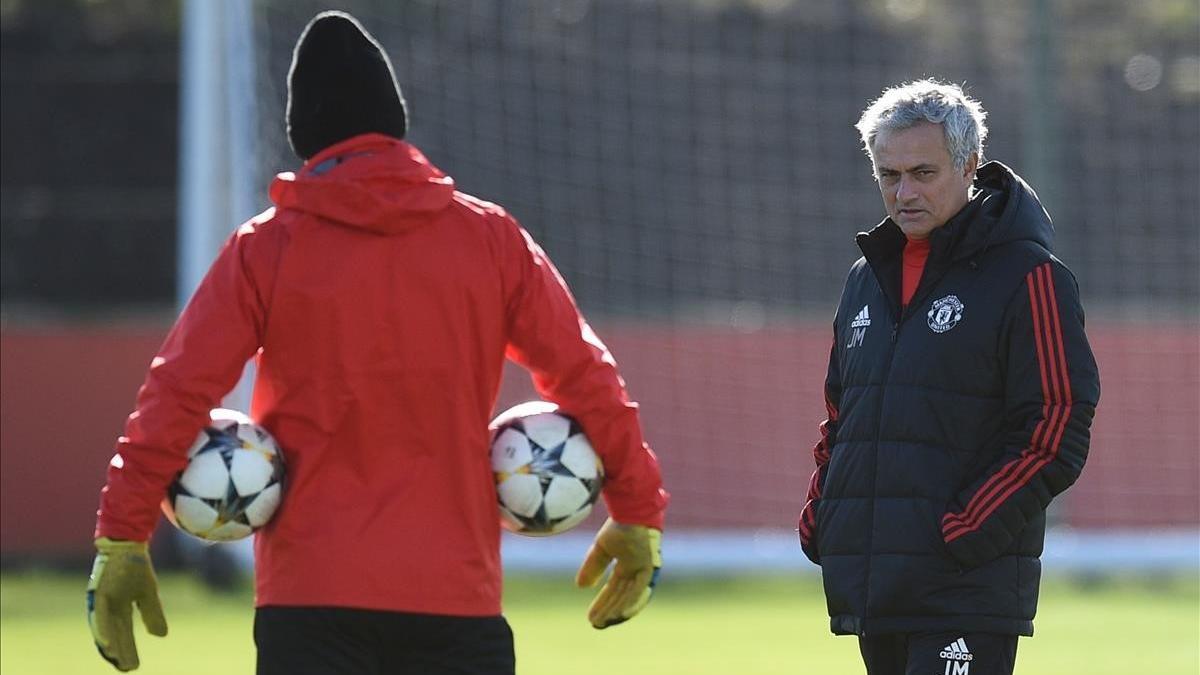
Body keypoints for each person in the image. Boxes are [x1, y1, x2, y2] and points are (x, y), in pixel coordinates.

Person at [86, 11, 667, 674]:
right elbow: (587, 378)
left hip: (310, 605)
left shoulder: (267, 248)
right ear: (397, 123)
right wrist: (637, 508)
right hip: (457, 604)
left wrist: (123, 533)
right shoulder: (492, 239)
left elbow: (176, 392)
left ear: (305, 138)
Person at [797, 79, 1100, 675]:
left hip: (965, 587)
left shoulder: (1029, 275)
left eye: (923, 173)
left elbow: (1058, 422)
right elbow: (843, 412)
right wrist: (824, 508)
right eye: (888, 175)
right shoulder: (865, 277)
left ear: (969, 166)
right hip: (877, 585)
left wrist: (965, 528)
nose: (903, 192)